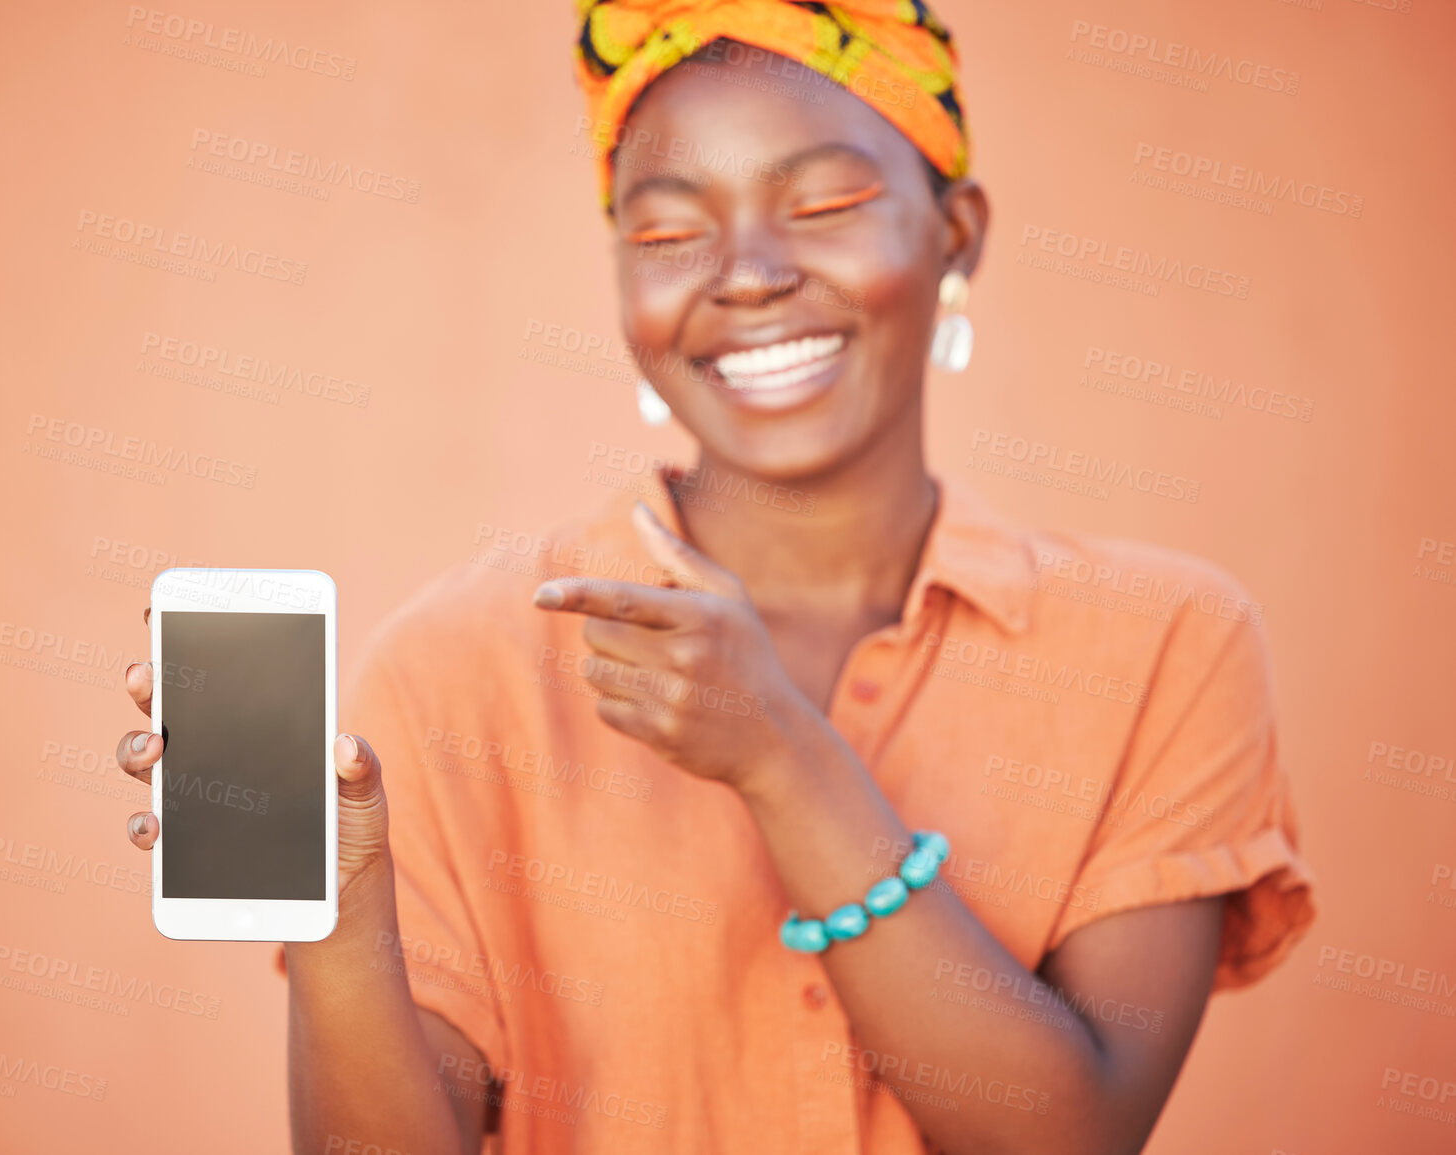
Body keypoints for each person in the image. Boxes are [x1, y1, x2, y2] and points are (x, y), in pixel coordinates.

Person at [115, 2, 1314, 1152]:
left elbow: (1067, 1135)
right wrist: (336, 914)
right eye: (669, 233)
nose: (745, 275)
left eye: (826, 203)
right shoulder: (454, 675)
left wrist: (780, 756)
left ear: (957, 235)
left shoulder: (1166, 646)